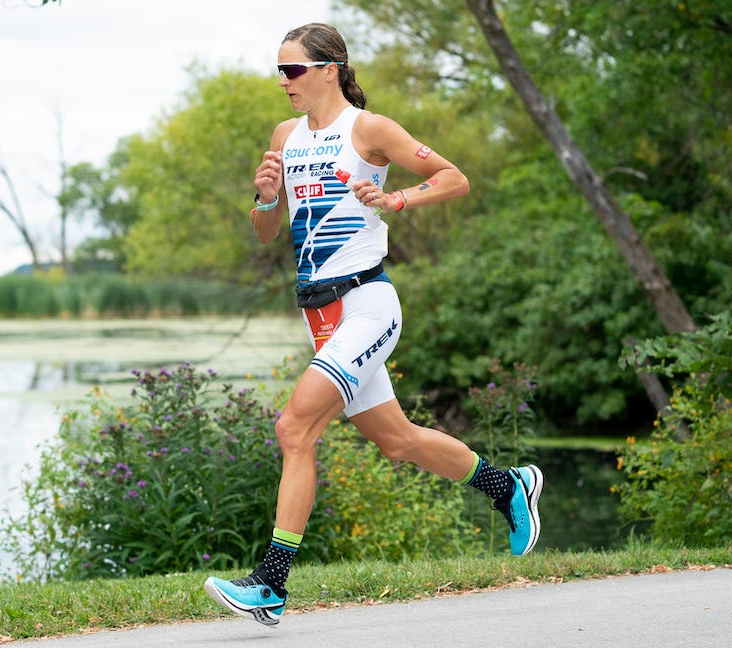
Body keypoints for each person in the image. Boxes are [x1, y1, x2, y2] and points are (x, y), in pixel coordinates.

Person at [203, 22, 543, 627]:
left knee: (294, 427)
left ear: (329, 68)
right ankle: (508, 487)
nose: (284, 82)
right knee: (399, 441)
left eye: (293, 70)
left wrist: (397, 200)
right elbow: (266, 232)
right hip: (319, 314)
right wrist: (263, 200)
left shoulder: (369, 129)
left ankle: (271, 585)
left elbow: (454, 178)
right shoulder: (284, 135)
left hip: (367, 303)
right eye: (279, 71)